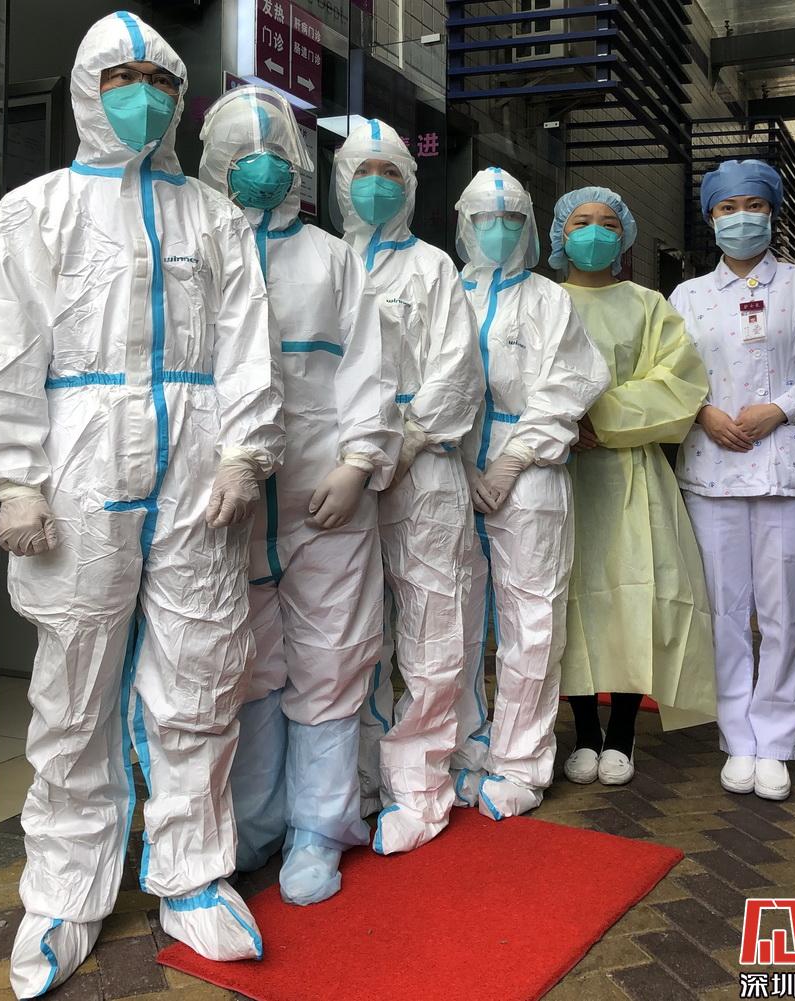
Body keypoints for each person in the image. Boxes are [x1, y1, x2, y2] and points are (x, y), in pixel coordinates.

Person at [0, 15, 283, 998]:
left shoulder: (212, 216)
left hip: (196, 468)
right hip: (78, 461)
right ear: (86, 88)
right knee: (73, 686)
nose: (143, 95)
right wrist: (14, 476)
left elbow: (248, 344)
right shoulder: (36, 209)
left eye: (160, 79)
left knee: (201, 673)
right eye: (122, 76)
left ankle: (192, 874)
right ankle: (65, 891)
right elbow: (3, 347)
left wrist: (245, 452)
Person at [199, 89, 402, 902]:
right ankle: (254, 823)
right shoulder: (200, 249)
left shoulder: (331, 258)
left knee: (332, 657)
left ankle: (319, 827)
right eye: (242, 152)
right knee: (244, 665)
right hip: (232, 498)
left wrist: (359, 462)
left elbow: (370, 368)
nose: (261, 166)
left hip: (326, 498)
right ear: (215, 161)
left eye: (275, 151)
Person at [670, 159, 795, 801]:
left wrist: (779, 408)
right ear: (710, 217)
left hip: (788, 471)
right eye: (727, 208)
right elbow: (671, 375)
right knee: (724, 613)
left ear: (772, 213)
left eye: (753, 206)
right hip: (712, 470)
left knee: (783, 614)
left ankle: (774, 741)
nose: (740, 217)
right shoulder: (687, 297)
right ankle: (736, 738)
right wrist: (702, 412)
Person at [332, 120, 484, 854]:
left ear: (412, 185)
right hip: (341, 470)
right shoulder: (327, 260)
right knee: (349, 630)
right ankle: (357, 779)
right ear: (340, 181)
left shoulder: (432, 267)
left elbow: (458, 366)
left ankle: (419, 786)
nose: (376, 184)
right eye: (362, 171)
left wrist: (411, 436)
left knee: (431, 622)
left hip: (423, 469)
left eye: (390, 172)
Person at [450, 168, 610, 820]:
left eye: (512, 217)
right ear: (464, 223)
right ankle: (462, 747)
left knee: (532, 621)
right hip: (449, 468)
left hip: (533, 473)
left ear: (531, 226)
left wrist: (513, 458)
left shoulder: (549, 300)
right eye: (484, 217)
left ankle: (520, 761)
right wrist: (457, 458)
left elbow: (570, 381)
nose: (498, 229)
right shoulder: (446, 291)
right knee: (450, 620)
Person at [550, 187, 717, 788]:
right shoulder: (541, 300)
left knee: (632, 598)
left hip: (630, 475)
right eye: (581, 222)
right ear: (559, 234)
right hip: (558, 472)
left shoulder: (648, 306)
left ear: (624, 237)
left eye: (607, 223)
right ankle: (583, 733)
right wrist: (559, 423)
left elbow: (679, 382)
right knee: (567, 602)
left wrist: (600, 418)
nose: (594, 232)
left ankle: (621, 733)